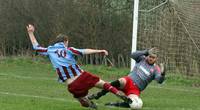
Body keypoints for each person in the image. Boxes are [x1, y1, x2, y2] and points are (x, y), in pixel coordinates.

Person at [26, 24, 131, 109]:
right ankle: (119, 94)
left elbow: (36, 46)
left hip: (72, 85)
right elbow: (84, 51)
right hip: (82, 77)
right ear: (65, 41)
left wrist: (30, 33)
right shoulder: (69, 49)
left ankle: (89, 104)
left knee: (82, 101)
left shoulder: (49, 50)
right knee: (105, 85)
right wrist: (99, 50)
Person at [87, 48, 166, 109]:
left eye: (153, 58)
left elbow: (159, 80)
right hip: (128, 81)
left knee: (135, 104)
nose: (151, 58)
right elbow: (133, 55)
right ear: (147, 56)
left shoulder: (156, 69)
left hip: (136, 89)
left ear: (156, 59)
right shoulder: (142, 59)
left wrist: (162, 74)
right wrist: (146, 51)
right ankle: (98, 95)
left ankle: (115, 104)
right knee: (121, 80)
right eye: (150, 56)